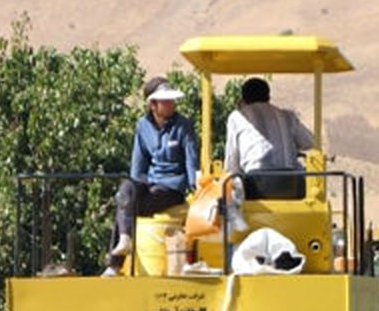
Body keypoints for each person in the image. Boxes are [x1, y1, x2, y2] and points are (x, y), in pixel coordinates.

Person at [105, 76, 200, 274]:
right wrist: (134, 189)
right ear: (153, 105)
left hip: (172, 188)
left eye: (171, 100)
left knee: (127, 206)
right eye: (166, 101)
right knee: (125, 192)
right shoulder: (142, 126)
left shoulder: (184, 125)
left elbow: (191, 159)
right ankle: (125, 240)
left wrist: (196, 187)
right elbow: (138, 165)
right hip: (150, 184)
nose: (171, 104)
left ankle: (114, 264)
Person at [223, 77, 314, 198]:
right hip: (292, 185)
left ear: (243, 98)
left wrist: (230, 179)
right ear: (268, 97)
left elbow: (232, 161)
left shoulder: (237, 116)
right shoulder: (288, 116)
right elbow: (309, 142)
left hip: (257, 185)